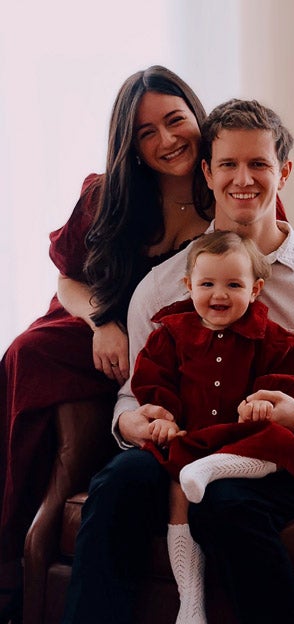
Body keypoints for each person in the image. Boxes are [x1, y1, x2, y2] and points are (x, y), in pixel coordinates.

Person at [62, 98, 294, 624]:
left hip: (271, 457)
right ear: (207, 171)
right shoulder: (161, 286)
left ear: (283, 172)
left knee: (226, 503)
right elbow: (134, 391)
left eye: (259, 164)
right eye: (227, 164)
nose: (242, 179)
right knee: (116, 487)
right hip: (178, 443)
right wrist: (130, 421)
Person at [0, 65, 213, 622]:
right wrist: (101, 321)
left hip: (176, 346)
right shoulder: (106, 195)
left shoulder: (228, 186)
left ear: (196, 116)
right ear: (131, 145)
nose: (166, 140)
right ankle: (11, 548)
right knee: (26, 354)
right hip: (98, 325)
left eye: (174, 121)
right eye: (146, 133)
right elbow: (66, 277)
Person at [131, 230, 294, 623]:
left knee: (276, 443)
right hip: (194, 442)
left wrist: (265, 402)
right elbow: (154, 384)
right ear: (189, 286)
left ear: (255, 290)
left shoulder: (275, 340)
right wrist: (161, 418)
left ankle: (215, 468)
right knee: (178, 480)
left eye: (234, 284)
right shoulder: (170, 335)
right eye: (207, 284)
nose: (220, 294)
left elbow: (288, 384)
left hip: (248, 441)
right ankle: (191, 600)